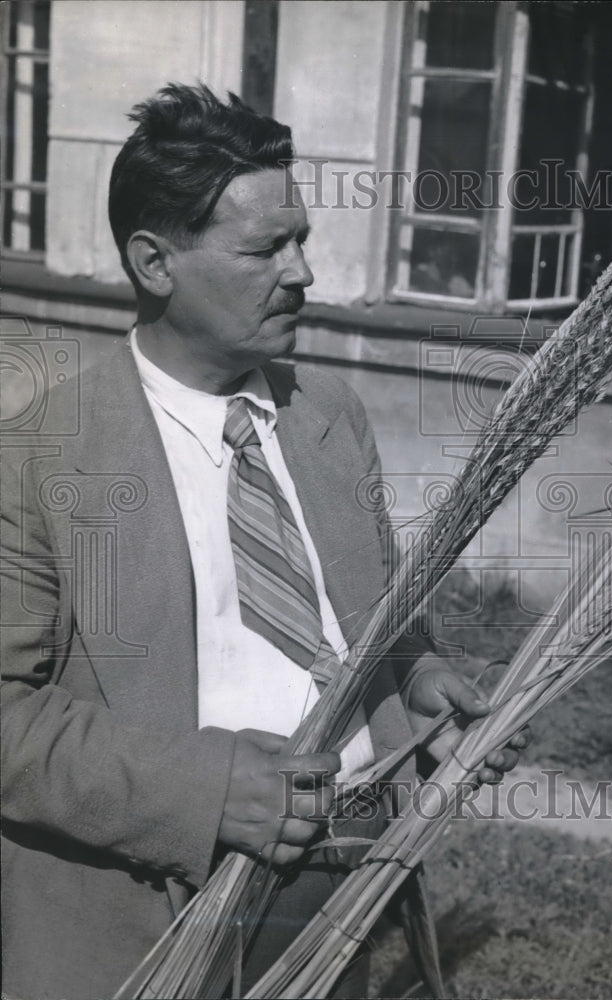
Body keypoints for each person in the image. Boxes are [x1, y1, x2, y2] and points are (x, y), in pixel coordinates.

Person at [0, 84, 522, 999]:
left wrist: (419, 680)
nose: (302, 272)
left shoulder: (328, 413)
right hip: (152, 910)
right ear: (155, 262)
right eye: (264, 249)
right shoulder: (39, 456)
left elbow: (377, 626)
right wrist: (201, 794)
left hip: (344, 879)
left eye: (303, 239)